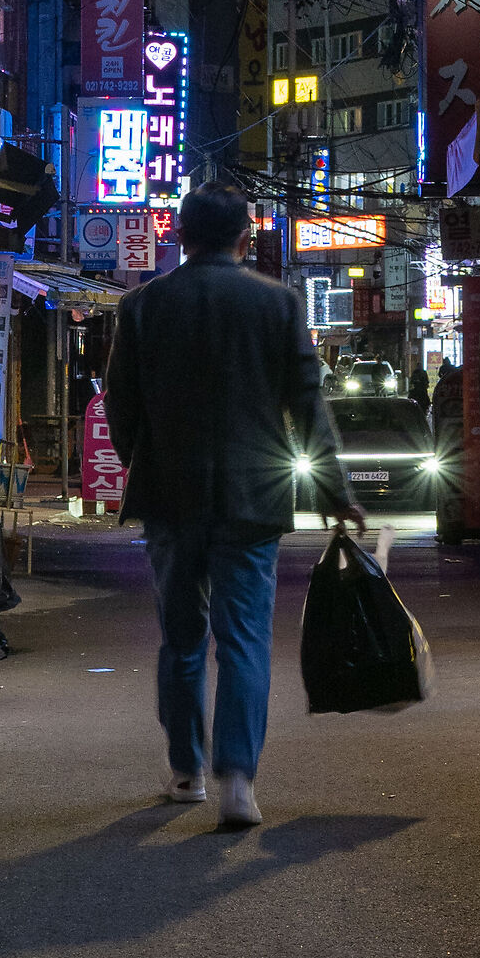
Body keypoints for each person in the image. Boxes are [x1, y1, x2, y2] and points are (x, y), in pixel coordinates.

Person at [104, 183, 363, 828]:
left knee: (182, 639)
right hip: (253, 497)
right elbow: (308, 404)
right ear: (246, 237)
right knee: (244, 638)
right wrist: (335, 490)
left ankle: (185, 771)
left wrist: (146, 455)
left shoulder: (143, 306)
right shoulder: (277, 303)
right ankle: (239, 782)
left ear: (179, 236)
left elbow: (120, 404)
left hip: (169, 494)